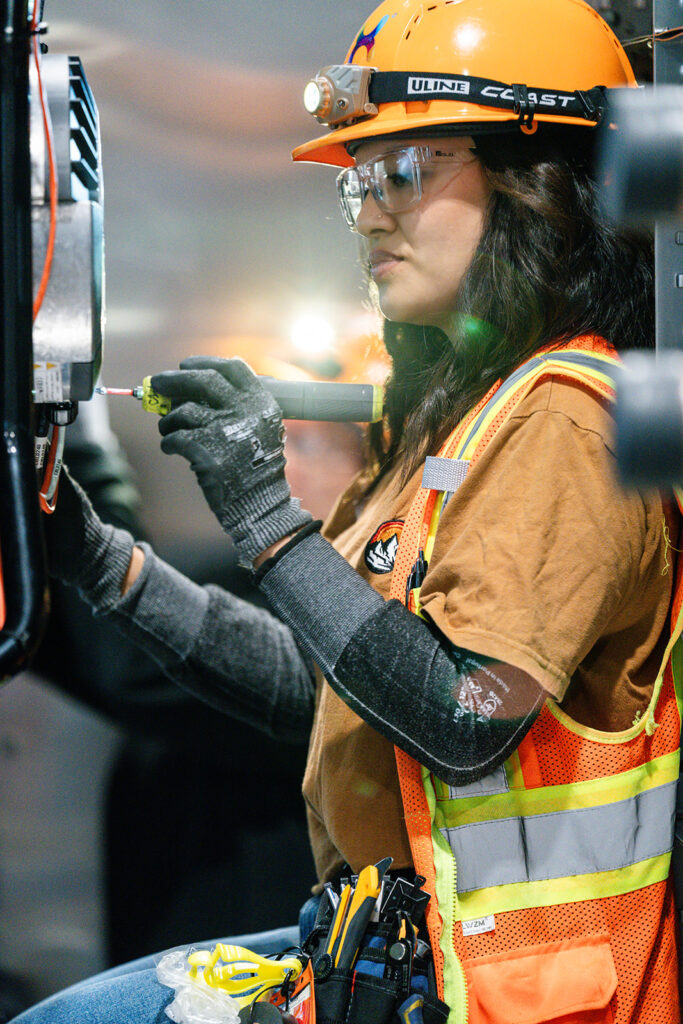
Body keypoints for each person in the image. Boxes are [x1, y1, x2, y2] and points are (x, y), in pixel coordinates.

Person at [12, 0, 680, 1021]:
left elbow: (461, 722)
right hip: (389, 957)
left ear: (533, 180)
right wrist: (105, 564)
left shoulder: (563, 419)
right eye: (361, 181)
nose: (368, 211)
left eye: (402, 172)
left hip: (504, 993)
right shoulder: (455, 417)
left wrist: (264, 514)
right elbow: (321, 690)